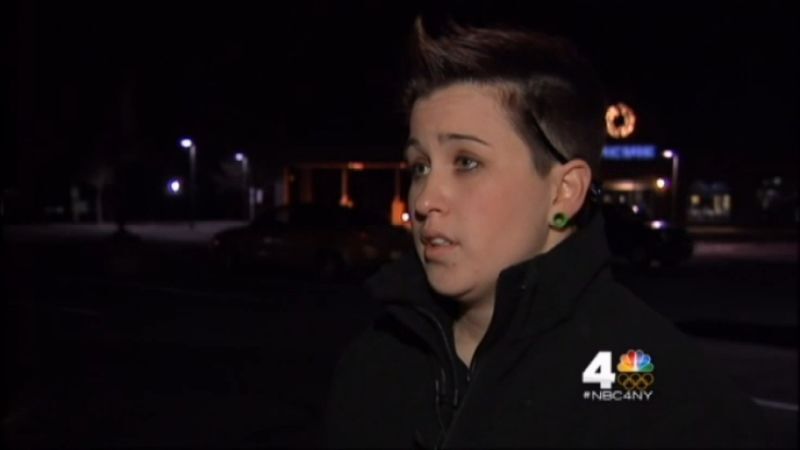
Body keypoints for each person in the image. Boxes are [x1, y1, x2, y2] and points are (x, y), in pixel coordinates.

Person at [324, 17, 769, 449]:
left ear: (563, 192)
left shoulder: (666, 398)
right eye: (420, 166)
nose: (424, 200)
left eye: (467, 162)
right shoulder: (373, 363)